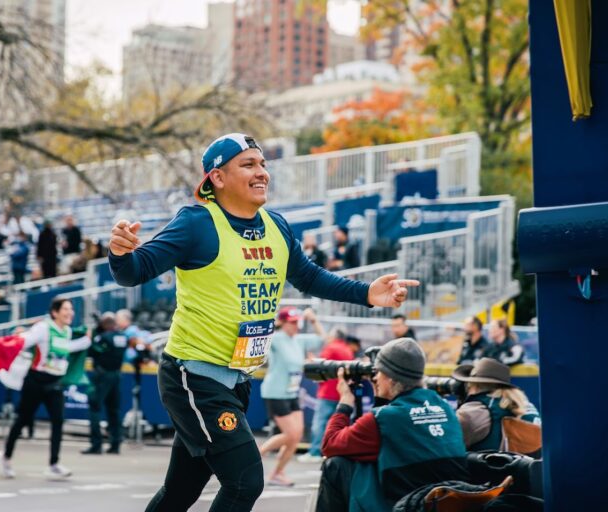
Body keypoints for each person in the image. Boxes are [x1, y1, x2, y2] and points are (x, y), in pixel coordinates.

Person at [108, 132, 419, 512]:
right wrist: (121, 253)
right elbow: (134, 272)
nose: (262, 173)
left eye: (263, 165)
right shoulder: (197, 224)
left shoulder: (277, 226)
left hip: (237, 379)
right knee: (245, 481)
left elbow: (309, 278)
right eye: (248, 164)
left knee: (181, 490)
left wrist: (367, 293)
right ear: (217, 178)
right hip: (193, 376)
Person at [317, 338, 468, 511]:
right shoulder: (444, 407)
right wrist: (380, 398)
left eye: (378, 372)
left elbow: (329, 444)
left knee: (335, 465)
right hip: (445, 502)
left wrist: (344, 404)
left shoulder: (382, 419)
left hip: (404, 505)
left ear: (390, 378)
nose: (375, 377)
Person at [0, 297, 91, 480]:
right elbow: (26, 341)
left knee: (58, 420)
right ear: (55, 312)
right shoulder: (43, 328)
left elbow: (67, 348)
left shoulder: (68, 331)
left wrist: (85, 341)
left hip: (54, 384)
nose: (70, 313)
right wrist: (17, 336)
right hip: (35, 382)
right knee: (23, 420)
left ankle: (54, 464)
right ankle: (6, 457)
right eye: (66, 309)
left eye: (71, 309)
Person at [259, 307, 325, 486]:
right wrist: (273, 321)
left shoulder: (299, 340)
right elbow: (261, 334)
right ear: (283, 323)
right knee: (291, 434)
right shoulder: (277, 339)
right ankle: (256, 454)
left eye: (297, 322)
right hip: (275, 392)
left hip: (292, 393)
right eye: (292, 322)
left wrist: (313, 320)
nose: (296, 325)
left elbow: (321, 339)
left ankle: (277, 474)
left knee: (295, 437)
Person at [453, 357, 540, 452]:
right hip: (531, 465)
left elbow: (448, 444)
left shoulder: (474, 410)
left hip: (493, 466)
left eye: (468, 385)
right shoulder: (524, 404)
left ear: (474, 386)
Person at [298, 328, 354, 463]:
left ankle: (315, 452)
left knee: (320, 423)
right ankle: (332, 452)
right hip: (341, 393)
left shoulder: (331, 347)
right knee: (338, 423)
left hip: (328, 392)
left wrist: (311, 360)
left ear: (334, 336)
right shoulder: (347, 349)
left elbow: (319, 366)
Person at [82, 312, 130, 455]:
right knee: (114, 411)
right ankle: (115, 444)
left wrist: (95, 333)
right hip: (116, 375)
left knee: (94, 408)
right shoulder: (123, 337)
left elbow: (92, 351)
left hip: (102, 376)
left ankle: (96, 445)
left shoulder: (103, 337)